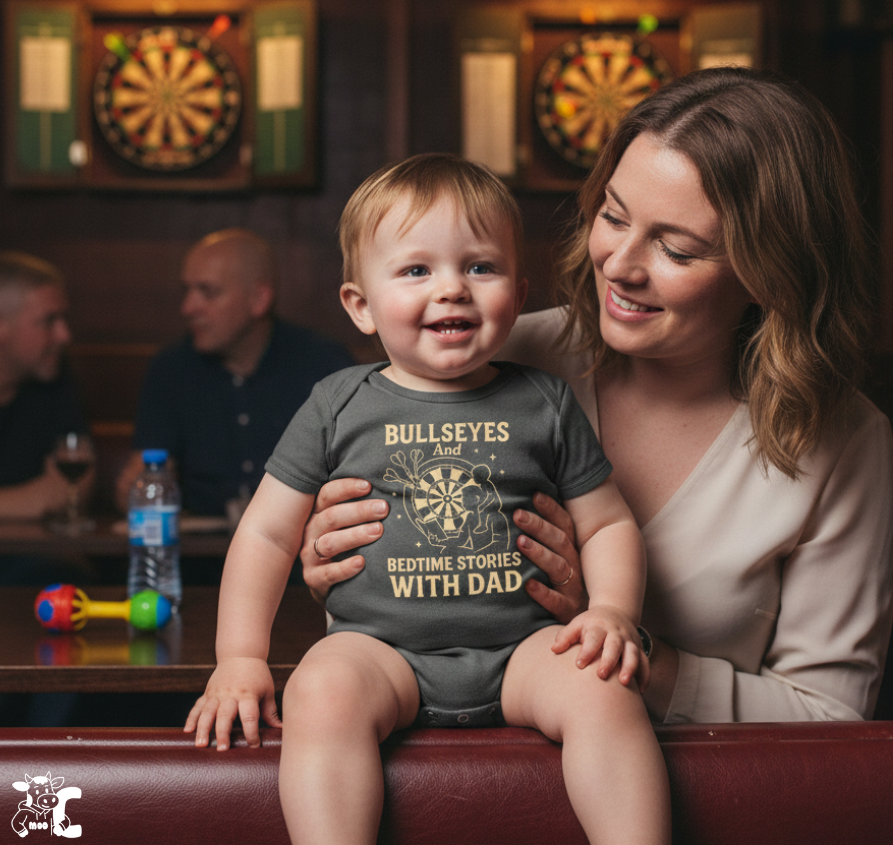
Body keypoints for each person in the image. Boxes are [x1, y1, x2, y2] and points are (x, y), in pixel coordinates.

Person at [300, 67, 893, 724]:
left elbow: (829, 719)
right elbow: (387, 622)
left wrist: (621, 643)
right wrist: (336, 560)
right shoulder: (486, 351)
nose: (618, 262)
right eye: (612, 215)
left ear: (769, 272)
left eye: (675, 248)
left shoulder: (843, 440)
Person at [186, 154, 671, 845]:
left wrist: (613, 611)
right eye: (417, 270)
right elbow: (266, 534)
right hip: (381, 652)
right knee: (319, 690)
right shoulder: (336, 403)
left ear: (518, 289)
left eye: (480, 267)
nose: (452, 290)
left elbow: (608, 523)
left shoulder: (545, 400)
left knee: (604, 691)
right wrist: (239, 656)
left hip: (524, 649)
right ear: (359, 304)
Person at [115, 229, 354, 517]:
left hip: (303, 553)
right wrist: (136, 488)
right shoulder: (170, 370)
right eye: (187, 291)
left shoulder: (324, 365)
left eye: (208, 292)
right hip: (199, 557)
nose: (188, 307)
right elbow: (141, 487)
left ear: (258, 299)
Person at [0, 251, 89, 522]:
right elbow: (46, 498)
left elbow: (72, 490)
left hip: (35, 556)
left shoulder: (56, 378)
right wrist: (28, 500)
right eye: (48, 321)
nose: (65, 335)